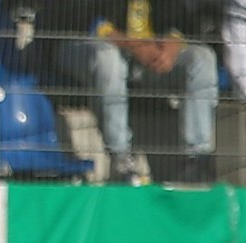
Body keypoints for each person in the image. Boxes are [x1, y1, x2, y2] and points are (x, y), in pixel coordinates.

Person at [43, 1, 217, 183]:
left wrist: (173, 42)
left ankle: (195, 161)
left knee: (202, 59)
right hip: (85, 41)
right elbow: (84, 19)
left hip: (147, 52)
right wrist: (134, 45)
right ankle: (122, 160)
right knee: (107, 59)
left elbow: (180, 17)